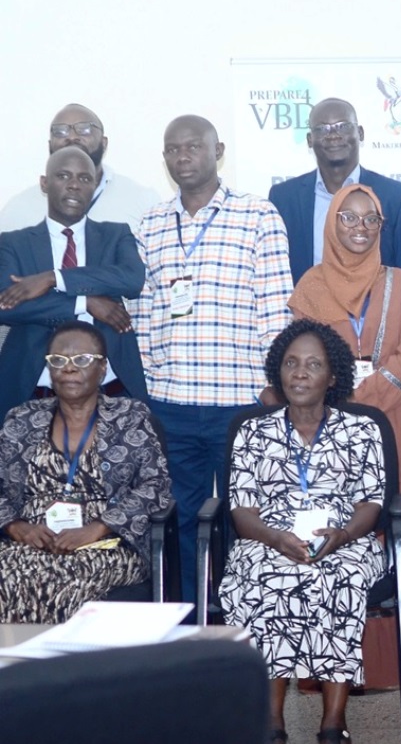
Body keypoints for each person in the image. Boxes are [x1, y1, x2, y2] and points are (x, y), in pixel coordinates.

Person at [135, 115, 294, 603]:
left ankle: (236, 626)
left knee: (242, 517)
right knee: (177, 518)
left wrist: (274, 387)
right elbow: (143, 314)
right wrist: (149, 386)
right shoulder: (149, 224)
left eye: (193, 146)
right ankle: (189, 625)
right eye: (173, 149)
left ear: (217, 151)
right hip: (171, 403)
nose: (183, 156)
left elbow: (275, 309)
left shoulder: (258, 216)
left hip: (239, 401)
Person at [219, 320, 385, 744]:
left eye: (314, 365)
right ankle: (270, 724)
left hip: (342, 537)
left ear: (333, 377)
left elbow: (372, 502)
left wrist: (345, 535)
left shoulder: (361, 429)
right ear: (278, 371)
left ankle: (333, 723)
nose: (300, 373)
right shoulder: (253, 433)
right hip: (267, 538)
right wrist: (275, 539)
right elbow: (242, 510)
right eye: (291, 363)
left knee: (341, 577)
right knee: (262, 578)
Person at [288, 183, 401, 690]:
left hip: (392, 427)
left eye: (371, 219)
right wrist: (338, 409)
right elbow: (304, 357)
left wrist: (357, 402)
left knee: (398, 531)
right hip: (327, 433)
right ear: (331, 224)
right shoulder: (311, 286)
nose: (360, 228)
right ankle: (323, 665)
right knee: (335, 531)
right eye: (348, 218)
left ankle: (400, 661)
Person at [0, 321, 171, 622]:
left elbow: (155, 485)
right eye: (58, 361)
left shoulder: (130, 416)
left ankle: (62, 667)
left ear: (102, 368)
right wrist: (16, 527)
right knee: (7, 574)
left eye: (81, 360)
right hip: (32, 542)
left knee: (61, 580)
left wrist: (98, 528)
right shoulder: (21, 419)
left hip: (107, 545)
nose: (68, 368)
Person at [0, 147, 147, 419]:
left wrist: (54, 278)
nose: (74, 185)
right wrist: (85, 302)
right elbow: (6, 306)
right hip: (32, 391)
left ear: (94, 185)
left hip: (112, 391)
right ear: (44, 183)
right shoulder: (12, 243)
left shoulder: (115, 235)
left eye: (84, 178)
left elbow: (132, 279)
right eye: (63, 176)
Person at [268, 98, 401, 283]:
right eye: (322, 129)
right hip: (304, 310)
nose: (333, 135)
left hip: (376, 311)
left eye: (343, 126)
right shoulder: (283, 199)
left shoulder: (396, 197)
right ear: (310, 140)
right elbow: (274, 274)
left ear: (360, 133)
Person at [0, 104, 161, 232]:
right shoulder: (18, 209)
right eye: (60, 131)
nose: (72, 137)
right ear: (49, 145)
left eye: (84, 129)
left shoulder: (143, 201)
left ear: (104, 143)